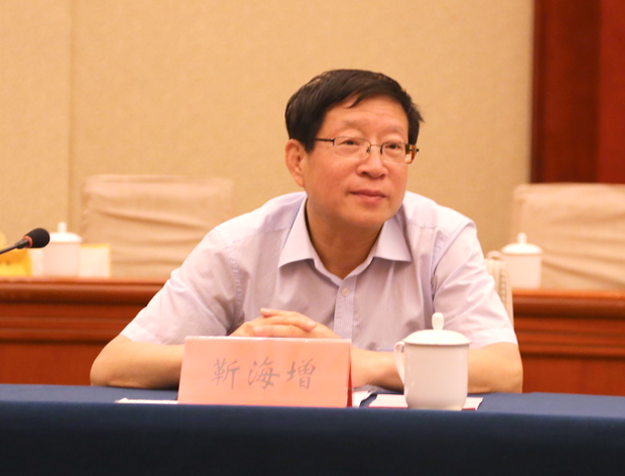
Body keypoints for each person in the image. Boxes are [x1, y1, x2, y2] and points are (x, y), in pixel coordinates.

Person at [91, 69, 523, 393]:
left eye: (393, 147)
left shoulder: (443, 239)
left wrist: (360, 364)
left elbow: (504, 370)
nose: (376, 166)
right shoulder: (238, 248)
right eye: (350, 143)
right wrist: (228, 357)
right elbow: (113, 365)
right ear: (298, 160)